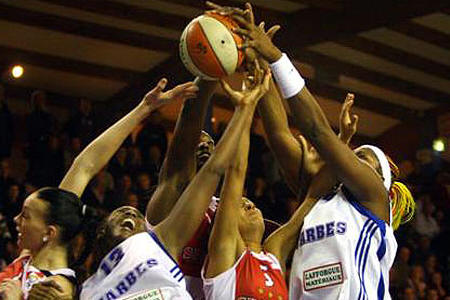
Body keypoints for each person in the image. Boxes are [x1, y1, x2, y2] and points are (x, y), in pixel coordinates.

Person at [228, 4, 416, 298]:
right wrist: (257, 67)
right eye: (353, 155)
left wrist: (276, 57)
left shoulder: (374, 200)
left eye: (363, 160)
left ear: (380, 181)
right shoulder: (316, 196)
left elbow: (318, 131)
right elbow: (278, 134)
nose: (352, 160)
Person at [78, 68, 270, 299]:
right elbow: (189, 126)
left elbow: (230, 171)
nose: (203, 146)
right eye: (197, 142)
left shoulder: (228, 209)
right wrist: (213, 67)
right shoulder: (166, 211)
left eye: (210, 143)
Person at [0, 78, 197, 300]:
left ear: (49, 233)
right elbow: (85, 165)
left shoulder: (57, 289)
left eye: (26, 216)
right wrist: (145, 108)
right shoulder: (28, 260)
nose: (16, 219)